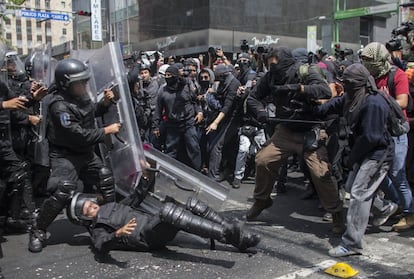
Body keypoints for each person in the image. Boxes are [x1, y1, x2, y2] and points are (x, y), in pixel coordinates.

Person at [245, 47, 344, 234]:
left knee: (321, 173)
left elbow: (324, 91)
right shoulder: (271, 77)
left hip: (310, 130)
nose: (272, 68)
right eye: (269, 65)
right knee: (263, 160)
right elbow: (253, 98)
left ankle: (336, 212)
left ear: (286, 61)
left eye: (275, 64)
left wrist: (299, 88)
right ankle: (262, 200)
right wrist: (260, 112)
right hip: (286, 129)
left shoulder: (306, 71)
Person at [28, 58, 121, 253]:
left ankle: (110, 219)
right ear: (66, 84)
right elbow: (78, 134)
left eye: (86, 81)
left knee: (105, 177)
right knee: (63, 189)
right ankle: (38, 229)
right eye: (81, 83)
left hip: (85, 153)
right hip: (65, 155)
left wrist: (103, 103)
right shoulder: (59, 106)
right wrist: (106, 131)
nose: (84, 85)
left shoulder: (79, 98)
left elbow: (88, 113)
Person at [315, 64, 394, 257]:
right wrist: (311, 107)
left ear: (358, 83)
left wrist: (351, 158)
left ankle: (352, 243)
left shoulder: (373, 103)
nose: (345, 85)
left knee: (358, 193)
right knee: (352, 187)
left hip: (377, 155)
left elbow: (371, 138)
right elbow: (332, 106)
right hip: (365, 151)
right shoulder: (353, 97)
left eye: (348, 82)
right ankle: (385, 208)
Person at [67, 181, 260, 255]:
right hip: (146, 237)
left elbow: (135, 197)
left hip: (151, 223)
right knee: (169, 212)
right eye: (88, 209)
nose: (93, 206)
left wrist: (146, 176)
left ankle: (237, 236)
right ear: (83, 218)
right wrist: (117, 234)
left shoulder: (109, 206)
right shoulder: (97, 229)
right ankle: (228, 234)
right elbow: (101, 246)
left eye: (90, 203)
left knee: (191, 204)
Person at [361, 42, 414, 231]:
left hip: (396, 132)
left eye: (370, 61)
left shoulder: (397, 75)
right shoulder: (370, 77)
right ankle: (397, 203)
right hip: (379, 132)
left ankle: (410, 213)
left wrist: (383, 100)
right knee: (378, 174)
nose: (367, 65)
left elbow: (403, 101)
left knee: (397, 174)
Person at [152, 65, 203, 171]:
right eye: (165, 75)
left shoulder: (186, 86)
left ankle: (198, 172)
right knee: (170, 150)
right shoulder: (163, 90)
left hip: (188, 122)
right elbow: (158, 109)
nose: (167, 77)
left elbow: (195, 101)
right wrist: (155, 126)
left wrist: (199, 112)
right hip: (172, 124)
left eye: (169, 75)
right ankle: (169, 173)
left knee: (194, 147)